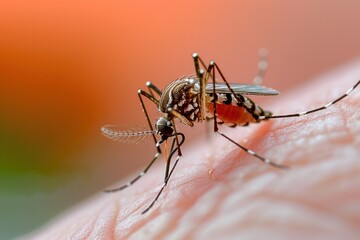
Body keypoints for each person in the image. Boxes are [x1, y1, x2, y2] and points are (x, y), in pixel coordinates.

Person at [22, 60, 360, 240]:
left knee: (203, 66)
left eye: (165, 136)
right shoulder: (163, 110)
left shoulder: (180, 106)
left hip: (221, 102)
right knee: (149, 91)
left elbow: (201, 77)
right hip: (206, 104)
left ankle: (306, 112)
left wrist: (218, 115)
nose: (169, 139)